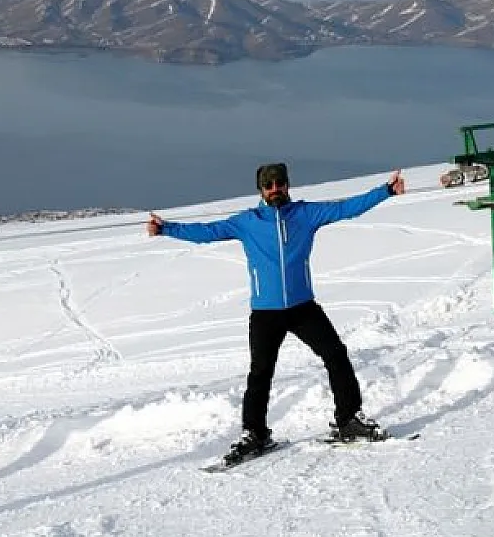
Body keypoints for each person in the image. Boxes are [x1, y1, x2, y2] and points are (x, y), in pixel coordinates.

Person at [147, 161, 406, 463]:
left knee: (336, 354)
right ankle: (254, 433)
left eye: (279, 184)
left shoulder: (305, 214)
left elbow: (346, 207)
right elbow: (208, 232)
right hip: (265, 313)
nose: (275, 190)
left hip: (302, 307)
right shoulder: (248, 221)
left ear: (287, 185)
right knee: (260, 373)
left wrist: (386, 191)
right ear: (261, 190)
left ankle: (348, 419)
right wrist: (166, 229)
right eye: (269, 186)